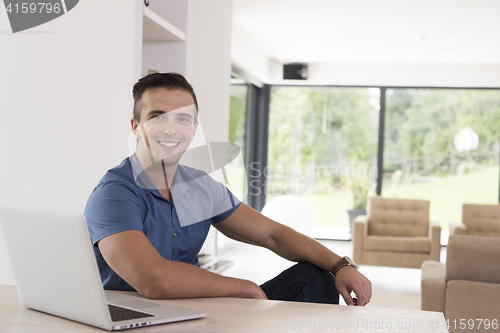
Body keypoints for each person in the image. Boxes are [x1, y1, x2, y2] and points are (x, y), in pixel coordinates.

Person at [84, 72, 372, 306]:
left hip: (196, 310)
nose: (171, 129)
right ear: (136, 126)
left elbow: (273, 234)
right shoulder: (115, 194)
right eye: (157, 116)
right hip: (136, 316)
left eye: (182, 118)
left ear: (194, 128)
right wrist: (245, 288)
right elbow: (154, 280)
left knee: (315, 275)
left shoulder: (199, 186)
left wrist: (340, 265)